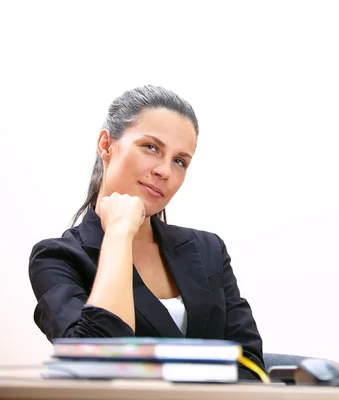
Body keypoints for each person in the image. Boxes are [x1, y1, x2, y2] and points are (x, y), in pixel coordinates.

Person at [28, 85, 264, 380]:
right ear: (106, 144)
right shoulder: (57, 258)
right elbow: (99, 365)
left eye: (180, 161)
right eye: (151, 147)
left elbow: (251, 366)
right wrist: (118, 234)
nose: (165, 171)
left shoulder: (208, 249)